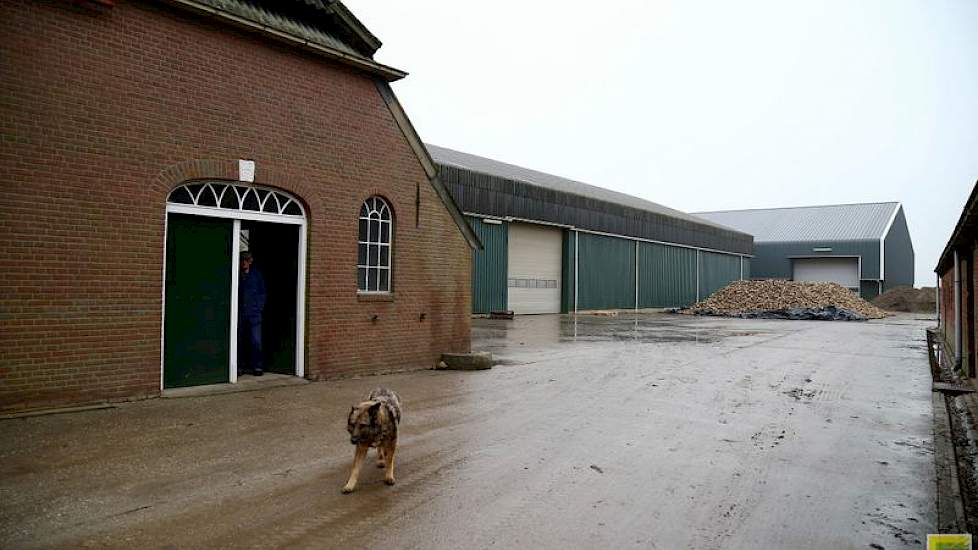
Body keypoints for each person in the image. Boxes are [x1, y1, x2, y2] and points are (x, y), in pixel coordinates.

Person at [238, 252, 266, 376]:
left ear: (251, 261)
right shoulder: (237, 274)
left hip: (254, 314)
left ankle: (257, 366)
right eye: (242, 260)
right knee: (240, 340)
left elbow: (262, 293)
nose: (244, 262)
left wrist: (258, 308)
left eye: (247, 260)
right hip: (240, 313)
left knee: (256, 340)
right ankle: (239, 366)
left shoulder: (256, 275)